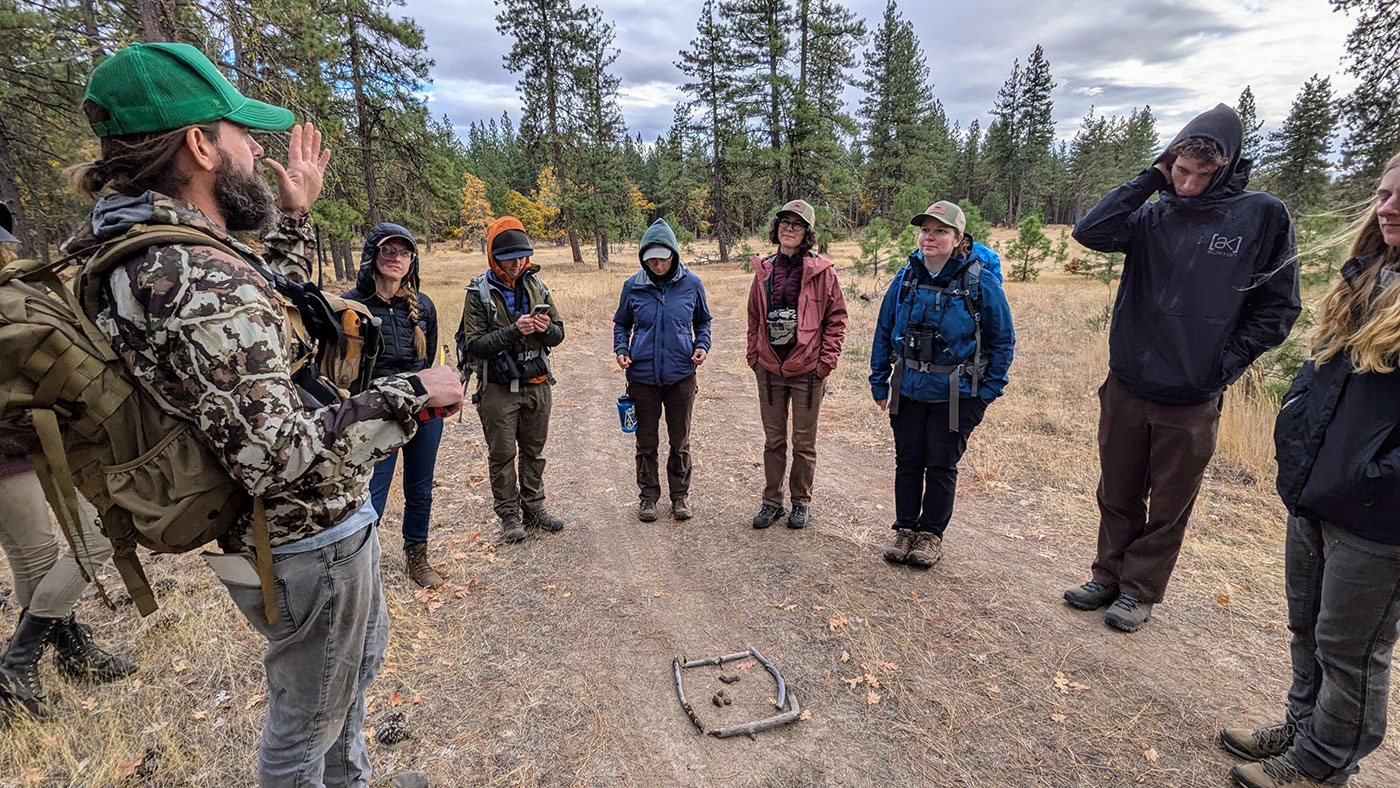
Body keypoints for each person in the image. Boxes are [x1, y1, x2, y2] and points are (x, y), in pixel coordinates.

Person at [66, 42, 460, 785]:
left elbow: (250, 326)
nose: (256, 149)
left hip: (277, 538)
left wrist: (291, 217)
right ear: (198, 146)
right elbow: (276, 453)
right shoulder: (192, 272)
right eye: (242, 134)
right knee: (305, 725)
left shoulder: (143, 248)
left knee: (338, 690)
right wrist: (415, 392)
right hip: (306, 538)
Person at [1064, 104, 1300, 633]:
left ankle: (1139, 589)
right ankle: (1106, 577)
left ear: (1228, 168)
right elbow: (1090, 231)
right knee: (1117, 489)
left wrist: (1221, 365)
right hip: (1128, 382)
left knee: (1169, 500)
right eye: (1179, 170)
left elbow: (1280, 308)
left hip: (1192, 394)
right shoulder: (1153, 212)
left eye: (1201, 174)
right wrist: (1151, 175)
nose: (1187, 184)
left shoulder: (1261, 215)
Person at [1219, 153, 1400, 788]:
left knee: (1351, 649)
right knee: (1309, 625)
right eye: (1382, 194)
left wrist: (1375, 476)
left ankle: (1322, 766)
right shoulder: (1364, 280)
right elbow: (1319, 378)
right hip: (1319, 488)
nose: (1388, 207)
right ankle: (1302, 728)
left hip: (1381, 513)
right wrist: (1295, 435)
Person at [0, 204, 136, 721]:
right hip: (15, 453)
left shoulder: (16, 295)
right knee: (90, 541)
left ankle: (69, 649)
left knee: (37, 557)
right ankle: (19, 661)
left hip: (35, 447)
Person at [869, 201, 1015, 568]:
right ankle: (905, 529)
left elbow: (1003, 339)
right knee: (908, 461)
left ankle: (931, 535)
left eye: (940, 231)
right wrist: (879, 381)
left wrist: (986, 393)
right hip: (908, 388)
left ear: (958, 238)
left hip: (956, 394)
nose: (929, 237)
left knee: (940, 464)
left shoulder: (979, 281)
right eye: (925, 230)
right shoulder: (906, 277)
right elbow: (884, 330)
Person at [343, 223, 445, 588]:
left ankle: (417, 557)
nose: (395, 258)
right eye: (388, 250)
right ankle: (362, 565)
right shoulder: (351, 305)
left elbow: (427, 358)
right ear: (372, 254)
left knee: (420, 488)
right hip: (375, 413)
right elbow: (344, 368)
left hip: (422, 411)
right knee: (371, 490)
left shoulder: (424, 307)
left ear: (411, 261)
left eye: (403, 252)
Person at [457, 216, 565, 543]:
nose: (517, 264)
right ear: (494, 256)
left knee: (534, 450)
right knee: (502, 453)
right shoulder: (478, 292)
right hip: (497, 386)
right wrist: (514, 330)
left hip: (537, 381)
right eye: (509, 258)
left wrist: (546, 329)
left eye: (522, 257)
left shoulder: (538, 286)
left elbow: (559, 335)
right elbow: (474, 344)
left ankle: (534, 508)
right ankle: (508, 515)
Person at [745, 199, 846, 530]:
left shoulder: (823, 272)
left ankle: (800, 502)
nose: (789, 229)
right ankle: (771, 501)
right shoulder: (765, 270)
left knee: (804, 443)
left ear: (807, 234)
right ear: (776, 229)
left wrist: (824, 364)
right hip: (770, 370)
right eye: (784, 223)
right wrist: (754, 356)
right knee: (774, 440)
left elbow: (836, 320)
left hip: (807, 371)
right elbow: (754, 317)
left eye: (797, 225)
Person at [614, 218, 713, 522]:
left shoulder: (692, 284)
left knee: (679, 440)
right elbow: (621, 323)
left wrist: (702, 345)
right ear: (643, 257)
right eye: (651, 258)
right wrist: (622, 349)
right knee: (646, 441)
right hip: (642, 377)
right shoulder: (633, 286)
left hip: (681, 375)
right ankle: (648, 498)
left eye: (663, 257)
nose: (657, 264)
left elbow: (703, 320)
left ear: (674, 254)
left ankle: (680, 497)